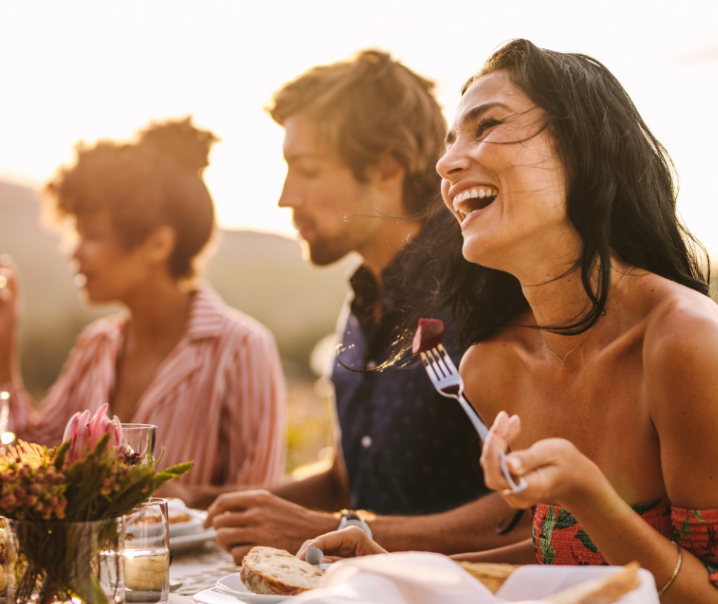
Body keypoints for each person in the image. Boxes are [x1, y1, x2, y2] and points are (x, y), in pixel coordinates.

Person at [304, 41, 718, 604]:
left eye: (488, 125)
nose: (447, 163)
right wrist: (390, 558)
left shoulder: (683, 344)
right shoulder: (494, 367)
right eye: (449, 141)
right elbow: (574, 557)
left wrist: (587, 493)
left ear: (581, 149)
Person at [204, 50, 531, 563]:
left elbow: (533, 509)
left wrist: (338, 527)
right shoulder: (361, 302)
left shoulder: (491, 290)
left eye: (306, 170)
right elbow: (345, 478)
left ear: (386, 170)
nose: (286, 197)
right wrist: (209, 508)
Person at [0, 118, 286, 491]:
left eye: (93, 235)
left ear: (157, 245)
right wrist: (1, 342)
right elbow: (30, 461)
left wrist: (179, 497)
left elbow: (260, 501)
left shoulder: (243, 347)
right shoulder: (96, 344)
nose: (74, 251)